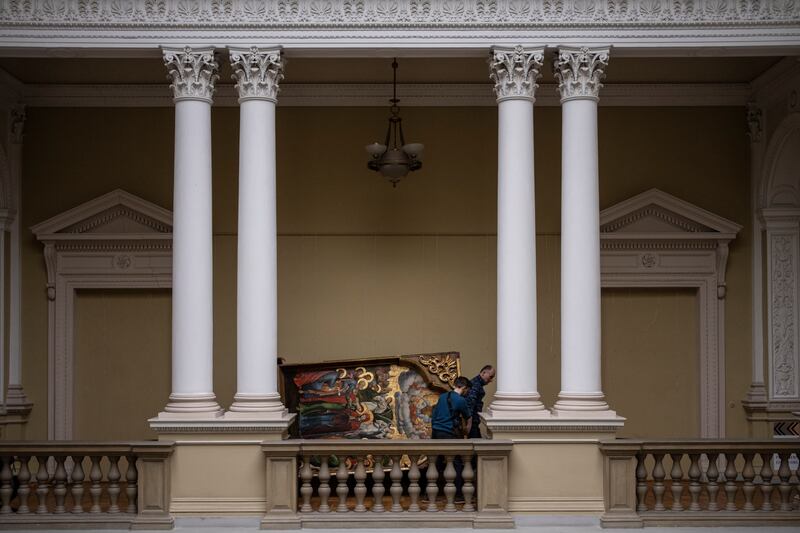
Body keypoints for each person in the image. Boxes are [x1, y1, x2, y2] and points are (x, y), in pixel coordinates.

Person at [465, 364, 495, 438]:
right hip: (472, 423)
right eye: (490, 376)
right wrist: (469, 424)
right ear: (483, 373)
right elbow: (470, 404)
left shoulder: (477, 383)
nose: (491, 380)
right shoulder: (475, 385)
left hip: (473, 422)